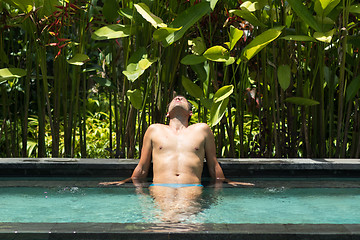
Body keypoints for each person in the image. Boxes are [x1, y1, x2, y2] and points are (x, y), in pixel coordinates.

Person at [100, 95, 253, 222]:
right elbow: (142, 167)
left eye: (183, 99)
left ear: (190, 113)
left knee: (187, 222)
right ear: (167, 113)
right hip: (161, 187)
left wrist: (227, 183)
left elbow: (213, 165)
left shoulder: (202, 129)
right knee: (165, 221)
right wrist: (125, 182)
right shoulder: (154, 129)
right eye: (175, 98)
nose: (179, 98)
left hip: (191, 188)